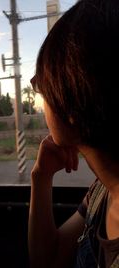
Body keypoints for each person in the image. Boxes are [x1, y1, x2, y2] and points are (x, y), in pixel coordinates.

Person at [28, 0, 119, 267]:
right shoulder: (103, 190)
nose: (41, 96)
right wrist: (40, 177)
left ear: (73, 104)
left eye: (43, 85)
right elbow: (49, 259)